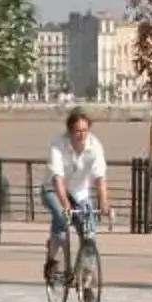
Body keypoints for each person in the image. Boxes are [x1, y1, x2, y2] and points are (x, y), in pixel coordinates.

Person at [44, 107, 108, 283]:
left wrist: (103, 203)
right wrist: (65, 205)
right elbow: (57, 178)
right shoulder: (58, 145)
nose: (82, 135)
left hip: (79, 193)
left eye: (85, 130)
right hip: (54, 190)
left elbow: (100, 177)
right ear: (70, 131)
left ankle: (85, 278)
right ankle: (51, 260)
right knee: (61, 219)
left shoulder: (95, 147)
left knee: (89, 236)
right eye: (77, 131)